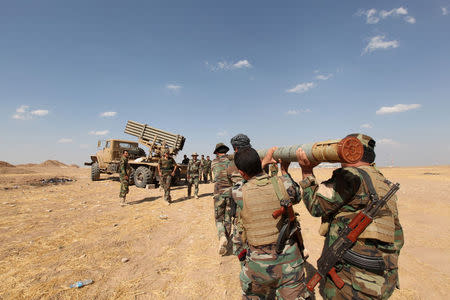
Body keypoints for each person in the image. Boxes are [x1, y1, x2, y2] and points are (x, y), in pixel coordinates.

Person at [296, 133, 404, 300]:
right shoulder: (383, 182)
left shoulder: (351, 176)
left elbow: (316, 206)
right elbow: (396, 234)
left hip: (351, 280)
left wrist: (307, 171)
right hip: (380, 277)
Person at [232, 147, 309, 299]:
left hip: (258, 267)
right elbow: (297, 196)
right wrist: (285, 171)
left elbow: (248, 180)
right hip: (290, 263)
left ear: (241, 172)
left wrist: (262, 163)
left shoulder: (238, 192)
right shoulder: (283, 184)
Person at [211, 143, 232, 255]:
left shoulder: (214, 162)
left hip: (218, 193)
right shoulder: (231, 162)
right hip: (229, 193)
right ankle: (227, 242)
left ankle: (222, 236)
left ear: (217, 153)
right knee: (228, 219)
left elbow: (215, 174)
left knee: (219, 218)